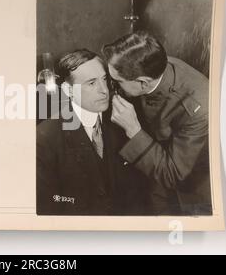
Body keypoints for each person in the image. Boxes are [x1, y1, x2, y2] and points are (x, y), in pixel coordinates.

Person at [103, 32, 212, 215]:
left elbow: (173, 174)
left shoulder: (198, 108)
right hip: (155, 168)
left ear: (143, 83)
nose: (112, 86)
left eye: (117, 82)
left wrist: (133, 129)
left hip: (189, 191)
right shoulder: (150, 64)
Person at [36, 49, 151, 215]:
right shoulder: (45, 138)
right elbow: (49, 206)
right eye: (91, 83)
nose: (104, 90)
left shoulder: (125, 118)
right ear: (68, 90)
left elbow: (142, 189)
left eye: (104, 80)